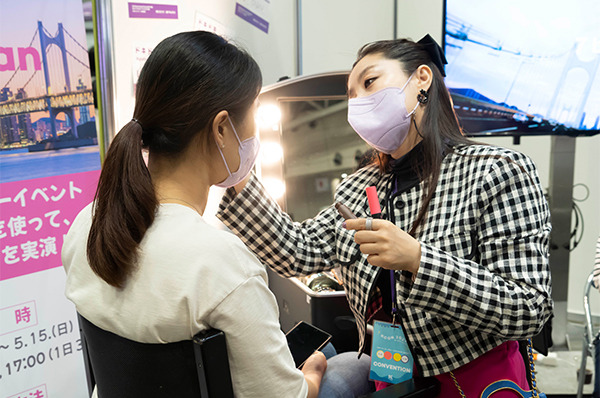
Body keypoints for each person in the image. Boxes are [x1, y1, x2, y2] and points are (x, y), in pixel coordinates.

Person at [217, 35, 553, 397]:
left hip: (473, 379)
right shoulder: (359, 187)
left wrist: (419, 260)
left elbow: (528, 307)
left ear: (421, 78)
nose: (358, 100)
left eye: (370, 82)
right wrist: (238, 173)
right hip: (390, 374)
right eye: (351, 94)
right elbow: (296, 250)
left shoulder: (498, 171)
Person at [62, 31, 347, 398]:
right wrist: (313, 372)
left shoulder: (87, 223)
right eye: (255, 114)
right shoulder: (221, 263)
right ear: (222, 128)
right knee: (346, 364)